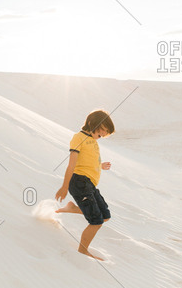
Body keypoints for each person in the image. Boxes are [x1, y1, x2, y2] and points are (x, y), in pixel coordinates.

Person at [55, 110, 115, 261]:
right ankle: (82, 251)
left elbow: (87, 162)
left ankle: (73, 208)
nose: (102, 135)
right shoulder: (79, 138)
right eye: (102, 131)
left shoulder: (93, 142)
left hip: (90, 184)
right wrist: (64, 186)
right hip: (79, 182)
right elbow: (72, 165)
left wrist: (100, 165)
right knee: (96, 221)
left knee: (105, 216)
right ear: (93, 123)